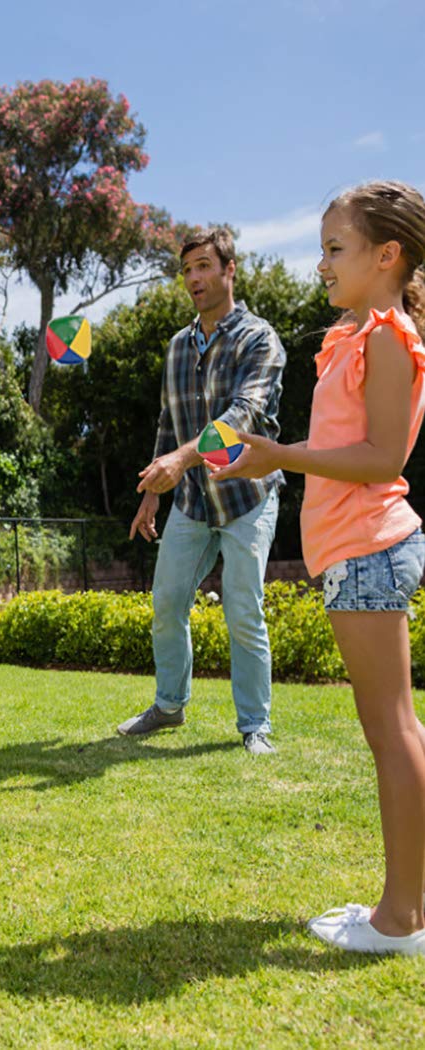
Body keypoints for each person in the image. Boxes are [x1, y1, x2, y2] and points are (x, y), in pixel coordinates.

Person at [209, 181, 425, 955]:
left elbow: (383, 458)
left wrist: (281, 456)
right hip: (354, 550)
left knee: (392, 730)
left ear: (387, 254)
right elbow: (346, 445)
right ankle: (403, 906)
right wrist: (270, 457)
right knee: (393, 728)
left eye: (336, 249)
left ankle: (401, 919)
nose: (323, 264)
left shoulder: (388, 337)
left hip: (369, 546)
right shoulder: (358, 334)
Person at [120, 228, 287, 754]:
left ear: (229, 270)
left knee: (242, 610)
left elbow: (243, 417)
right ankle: (169, 706)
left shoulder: (259, 339)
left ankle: (255, 726)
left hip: (247, 498)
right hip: (192, 502)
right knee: (167, 602)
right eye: (187, 269)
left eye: (203, 266)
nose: (193, 278)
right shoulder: (177, 346)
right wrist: (153, 491)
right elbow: (168, 424)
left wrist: (181, 459)